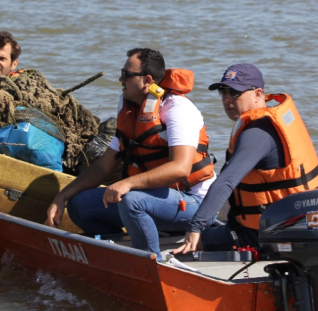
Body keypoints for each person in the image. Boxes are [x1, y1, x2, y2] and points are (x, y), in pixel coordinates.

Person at [46, 48, 216, 259]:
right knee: (80, 205)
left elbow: (180, 168)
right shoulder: (129, 107)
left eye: (126, 74)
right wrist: (62, 196)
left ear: (147, 80)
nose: (120, 79)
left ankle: (150, 263)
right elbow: (102, 166)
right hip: (152, 198)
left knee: (132, 199)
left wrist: (128, 183)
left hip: (194, 203)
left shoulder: (177, 110)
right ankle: (117, 254)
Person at [171, 63, 318, 255]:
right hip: (300, 224)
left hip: (272, 234)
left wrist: (196, 227)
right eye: (223, 92)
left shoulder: (257, 133)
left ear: (258, 94)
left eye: (235, 93)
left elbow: (226, 181)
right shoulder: (265, 124)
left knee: (185, 247)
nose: (227, 99)